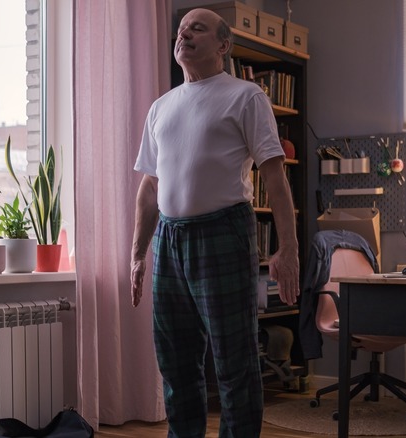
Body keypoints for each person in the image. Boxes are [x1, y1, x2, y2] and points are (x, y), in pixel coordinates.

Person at [130, 8, 299, 438]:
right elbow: (150, 188)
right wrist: (136, 255)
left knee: (234, 364)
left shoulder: (246, 96)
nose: (183, 33)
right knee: (176, 364)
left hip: (222, 234)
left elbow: (275, 177)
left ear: (223, 45)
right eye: (181, 28)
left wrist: (288, 248)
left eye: (197, 28)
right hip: (169, 240)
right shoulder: (160, 107)